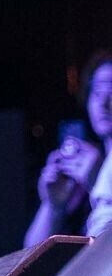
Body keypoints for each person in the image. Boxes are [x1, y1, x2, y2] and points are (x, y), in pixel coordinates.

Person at [24, 50, 112, 246]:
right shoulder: (85, 164)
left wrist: (97, 181)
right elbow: (30, 252)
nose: (103, 102)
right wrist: (52, 205)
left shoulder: (94, 168)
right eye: (97, 92)